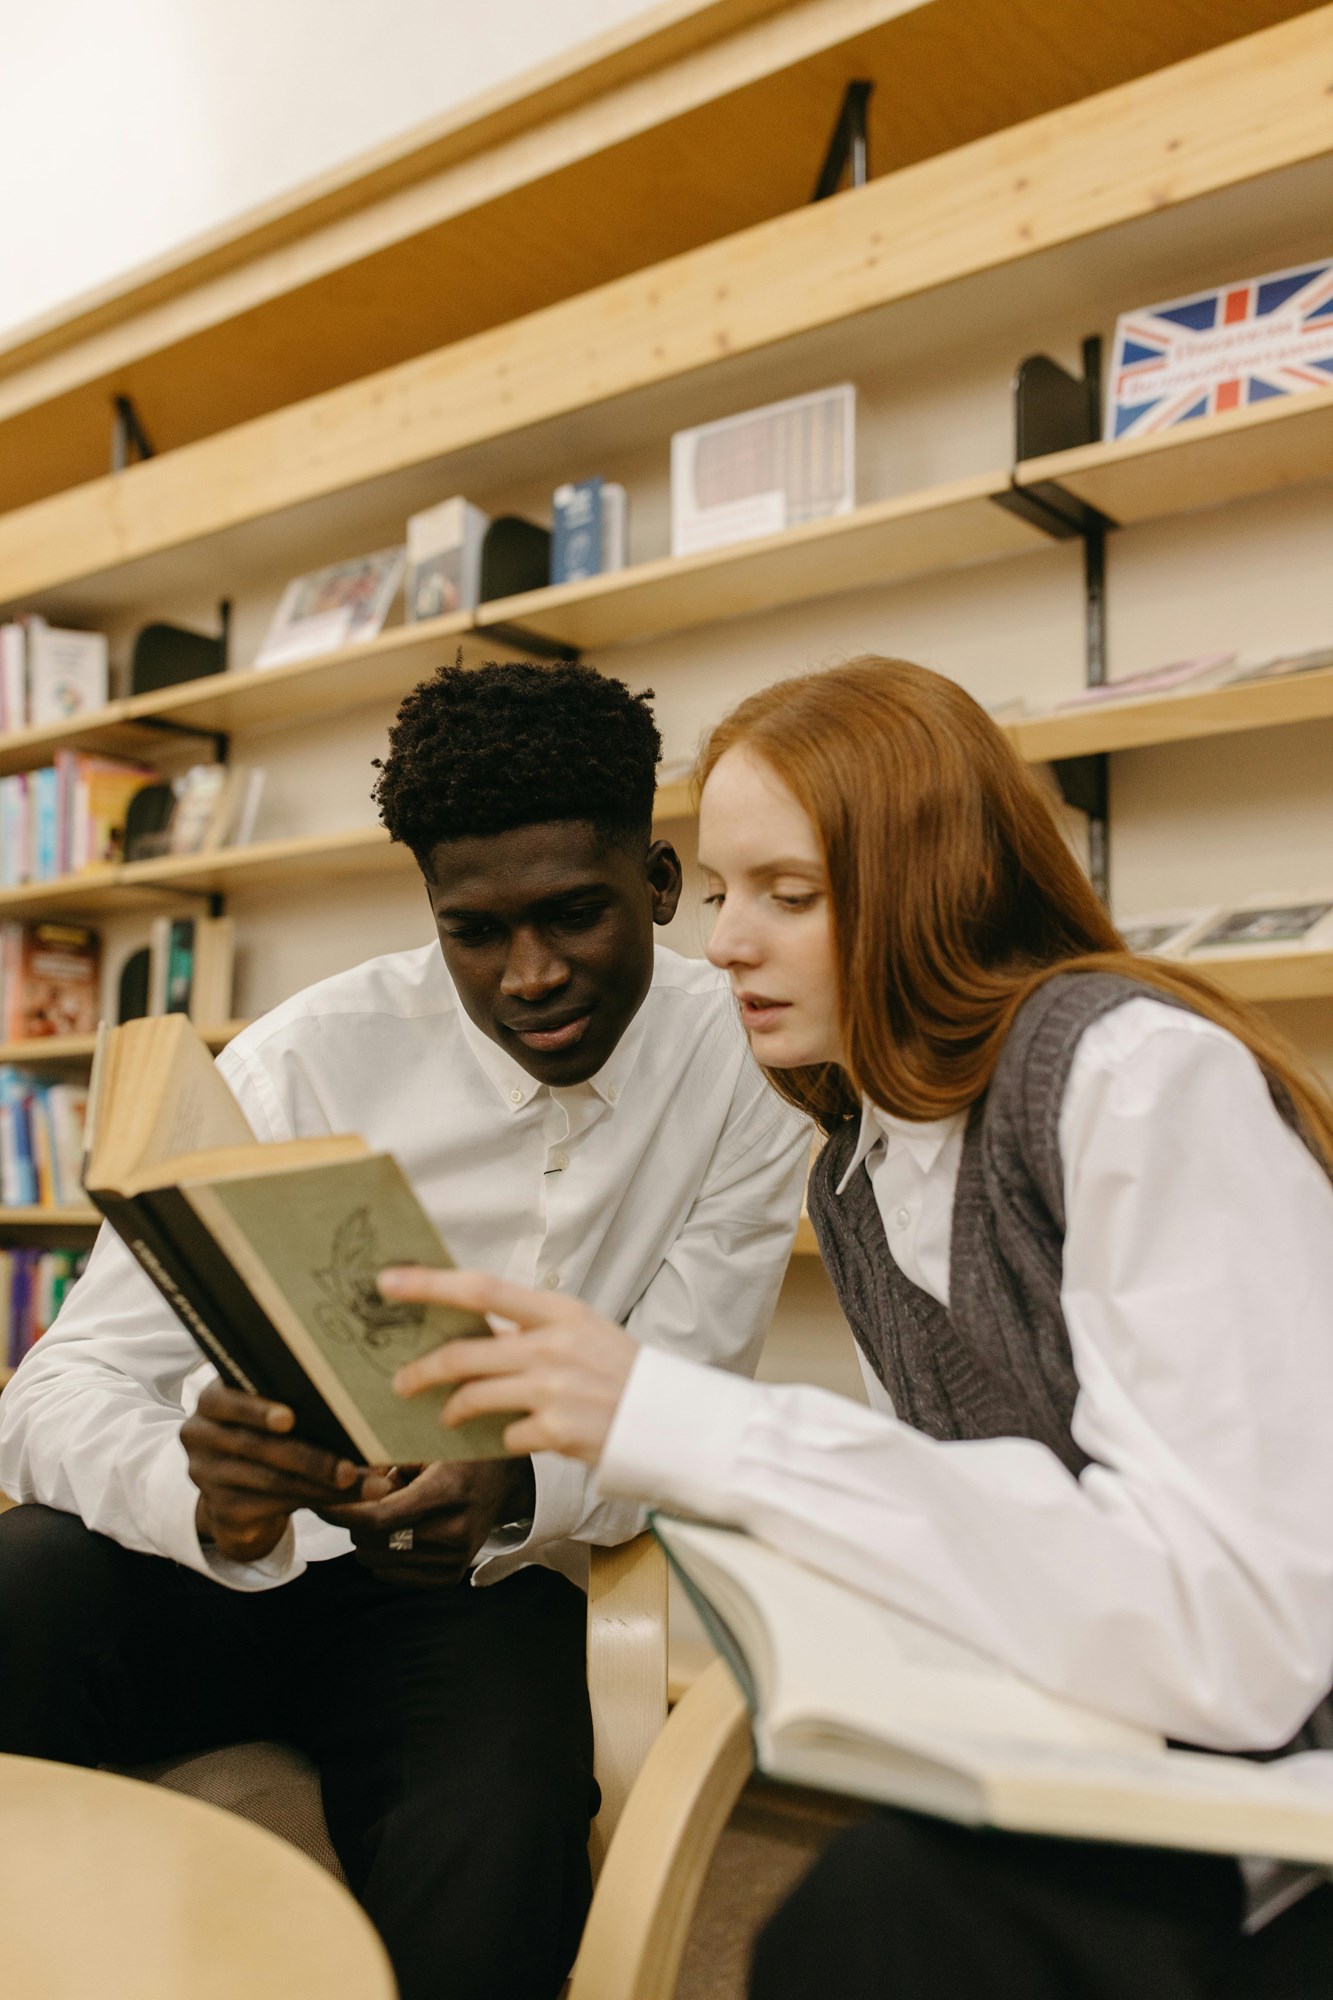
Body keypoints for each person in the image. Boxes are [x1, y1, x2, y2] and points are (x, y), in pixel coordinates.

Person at [382, 656, 1333, 1999]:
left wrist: (698, 1426)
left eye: (790, 894)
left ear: (933, 885)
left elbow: (1244, 1639)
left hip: (1278, 1789)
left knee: (869, 1927)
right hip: (1120, 1757)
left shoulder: (1128, 1076)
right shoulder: (857, 1169)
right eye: (725, 893)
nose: (724, 943)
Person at [0, 661, 810, 2000]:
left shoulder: (745, 1063)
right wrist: (200, 1496)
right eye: (474, 934)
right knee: (16, 1583)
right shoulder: (303, 1057)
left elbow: (688, 1383)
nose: (531, 976)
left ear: (660, 884)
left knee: (497, 1856)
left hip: (478, 1586)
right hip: (217, 1564)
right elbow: (56, 1387)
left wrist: (519, 1481)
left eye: (574, 915)